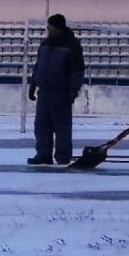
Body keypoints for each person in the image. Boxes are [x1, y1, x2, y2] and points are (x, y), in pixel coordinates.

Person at [27, 14, 85, 165]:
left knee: (62, 127)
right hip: (44, 91)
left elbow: (77, 71)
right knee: (41, 125)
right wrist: (33, 84)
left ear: (57, 27)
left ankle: (63, 156)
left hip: (61, 92)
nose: (47, 29)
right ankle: (43, 154)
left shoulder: (72, 45)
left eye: (50, 26)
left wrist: (72, 92)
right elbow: (38, 66)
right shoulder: (45, 44)